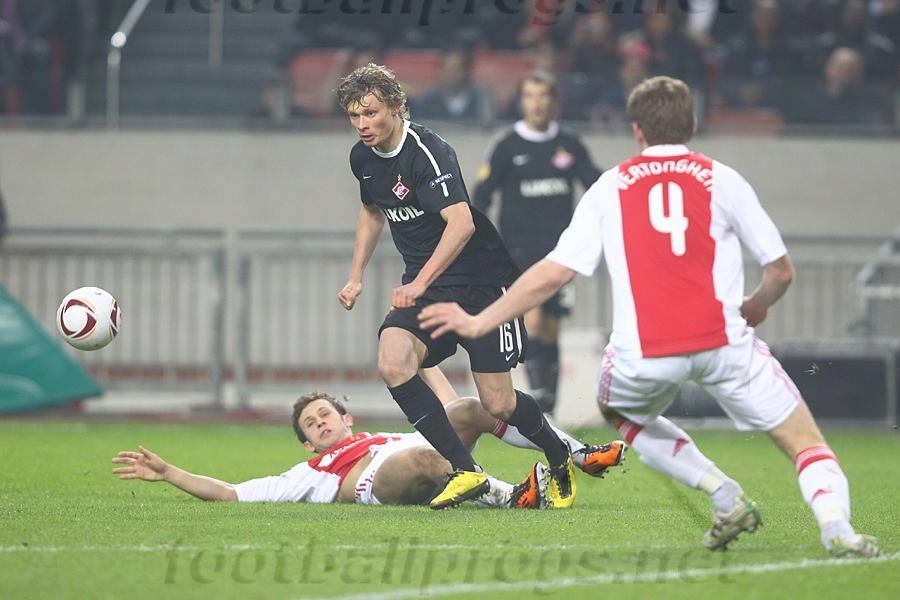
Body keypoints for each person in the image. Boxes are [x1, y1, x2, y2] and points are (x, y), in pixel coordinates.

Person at [419, 76, 880, 558]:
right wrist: (757, 304)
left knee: (621, 412)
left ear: (636, 130)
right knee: (804, 442)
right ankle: (837, 528)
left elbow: (552, 273)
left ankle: (724, 493)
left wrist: (481, 321)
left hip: (644, 352)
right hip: (724, 342)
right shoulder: (723, 179)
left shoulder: (611, 187)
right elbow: (781, 272)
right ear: (692, 124)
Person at [335, 62, 578, 511]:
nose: (362, 124)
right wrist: (356, 276)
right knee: (393, 360)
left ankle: (559, 454)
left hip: (478, 287)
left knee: (499, 404)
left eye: (370, 113)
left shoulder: (428, 152)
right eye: (354, 115)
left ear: (396, 106)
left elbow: (462, 224)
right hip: (425, 287)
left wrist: (419, 281)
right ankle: (467, 471)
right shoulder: (362, 159)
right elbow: (372, 212)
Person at [112, 366, 627, 508]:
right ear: (308, 444)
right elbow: (230, 492)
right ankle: (513, 496)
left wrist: (423, 359)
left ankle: (577, 454)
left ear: (347, 419)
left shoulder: (381, 435)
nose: (320, 423)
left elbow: (450, 406)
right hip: (382, 482)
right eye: (311, 425)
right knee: (426, 459)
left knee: (474, 408)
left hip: (421, 453)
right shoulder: (309, 472)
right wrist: (169, 472)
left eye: (324, 414)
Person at [473, 70, 603, 416]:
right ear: (521, 101)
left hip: (561, 253)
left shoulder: (570, 144)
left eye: (543, 95)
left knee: (551, 328)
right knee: (531, 322)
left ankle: (550, 406)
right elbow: (482, 195)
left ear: (553, 101)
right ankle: (540, 404)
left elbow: (596, 185)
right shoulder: (507, 145)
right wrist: (478, 241)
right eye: (530, 95)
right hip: (518, 252)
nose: (537, 103)